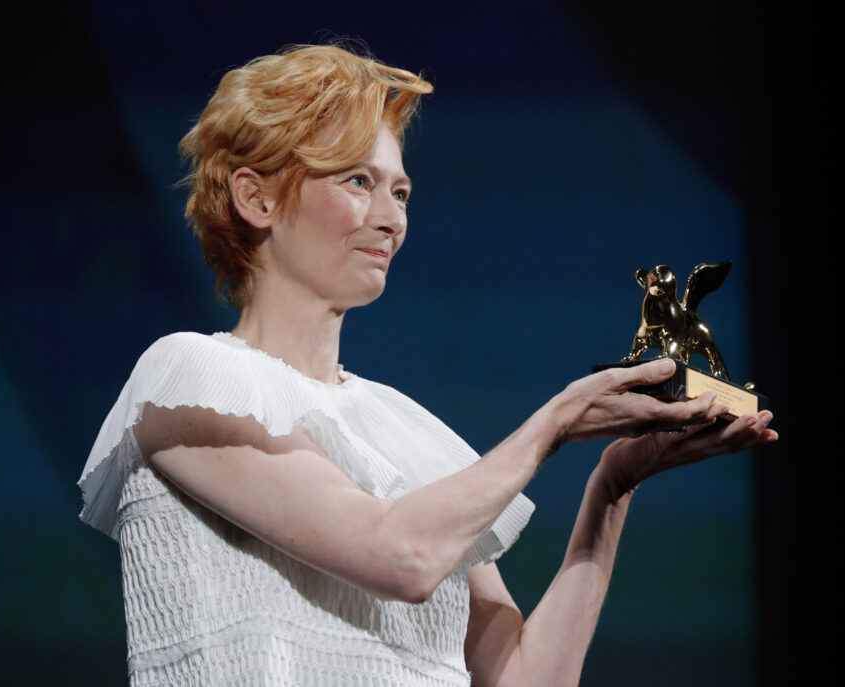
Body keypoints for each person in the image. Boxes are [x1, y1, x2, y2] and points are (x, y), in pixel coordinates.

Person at [78, 44, 776, 687]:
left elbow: (525, 678)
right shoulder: (188, 377)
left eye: (401, 191)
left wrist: (613, 487)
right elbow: (401, 558)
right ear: (255, 197)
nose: (392, 219)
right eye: (358, 180)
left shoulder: (406, 431)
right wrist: (556, 422)